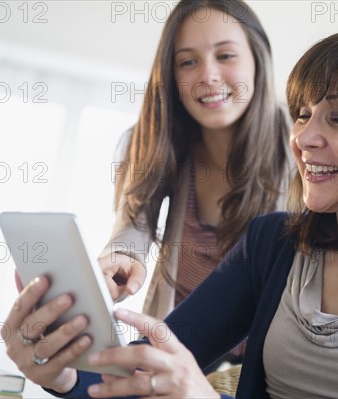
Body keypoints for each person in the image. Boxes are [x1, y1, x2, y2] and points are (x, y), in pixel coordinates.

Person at [3, 31, 338, 398]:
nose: (305, 138)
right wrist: (61, 373)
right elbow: (145, 370)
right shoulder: (273, 242)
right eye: (304, 113)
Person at [97, 0, 290, 326]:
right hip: (179, 350)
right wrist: (122, 260)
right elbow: (133, 225)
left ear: (258, 58)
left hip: (265, 363)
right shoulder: (156, 142)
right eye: (188, 62)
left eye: (226, 55)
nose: (208, 76)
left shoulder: (300, 145)